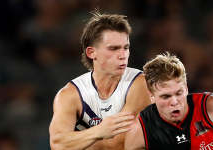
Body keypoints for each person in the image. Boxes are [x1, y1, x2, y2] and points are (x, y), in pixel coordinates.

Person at [49, 12, 151, 150]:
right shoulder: (69, 94)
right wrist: (99, 131)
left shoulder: (139, 84)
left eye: (125, 48)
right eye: (113, 48)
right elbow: (57, 144)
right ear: (91, 52)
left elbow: (121, 144)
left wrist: (79, 140)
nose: (123, 55)